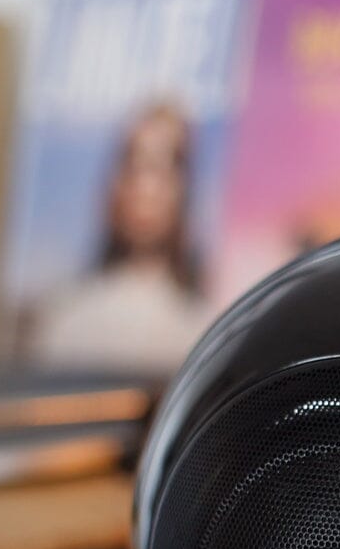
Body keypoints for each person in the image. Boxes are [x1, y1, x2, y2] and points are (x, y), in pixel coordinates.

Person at [26, 103, 212, 374]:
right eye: (134, 166)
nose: (146, 188)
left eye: (164, 167)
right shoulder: (65, 320)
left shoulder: (200, 331)